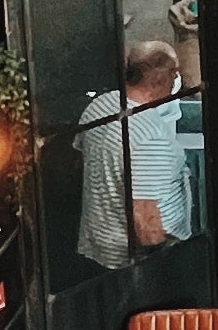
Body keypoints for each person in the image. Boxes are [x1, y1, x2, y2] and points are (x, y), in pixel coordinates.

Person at [75, 39, 189, 270]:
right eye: (174, 74)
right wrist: (161, 269)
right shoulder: (151, 135)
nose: (176, 81)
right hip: (132, 263)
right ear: (160, 79)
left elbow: (81, 161)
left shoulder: (99, 106)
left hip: (96, 249)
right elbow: (145, 222)